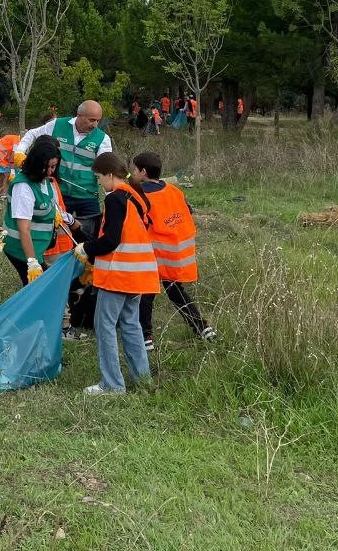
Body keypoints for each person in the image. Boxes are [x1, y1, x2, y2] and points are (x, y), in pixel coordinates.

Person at [74, 153, 160, 395]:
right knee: (131, 325)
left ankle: (112, 384)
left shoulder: (114, 199)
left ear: (110, 175)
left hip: (118, 275)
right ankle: (142, 380)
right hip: (138, 275)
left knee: (105, 326)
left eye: (99, 177)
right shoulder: (136, 195)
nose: (99, 182)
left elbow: (111, 240)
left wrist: (86, 248)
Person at [132, 151, 216, 348]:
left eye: (134, 169)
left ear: (143, 172)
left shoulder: (139, 195)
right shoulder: (173, 190)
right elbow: (187, 211)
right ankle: (201, 327)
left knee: (146, 295)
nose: (132, 173)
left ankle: (145, 337)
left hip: (152, 253)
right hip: (174, 253)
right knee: (176, 292)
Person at [15, 101, 112, 236]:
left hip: (87, 196)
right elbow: (32, 134)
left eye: (98, 121)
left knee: (91, 236)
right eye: (92, 120)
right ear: (79, 116)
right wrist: (19, 152)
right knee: (58, 234)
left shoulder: (102, 138)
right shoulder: (57, 125)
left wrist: (111, 197)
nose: (95, 124)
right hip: (59, 192)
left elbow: (107, 169)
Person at [1, 136, 73, 287]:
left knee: (39, 289)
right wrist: (32, 262)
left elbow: (51, 205)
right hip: (20, 248)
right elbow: (24, 229)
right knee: (39, 289)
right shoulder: (23, 188)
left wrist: (70, 220)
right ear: (35, 163)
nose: (49, 171)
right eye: (46, 167)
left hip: (38, 246)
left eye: (53, 167)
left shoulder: (46, 181)